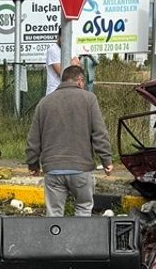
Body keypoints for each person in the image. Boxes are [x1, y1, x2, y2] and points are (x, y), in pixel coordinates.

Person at [26, 65, 113, 216]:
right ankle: (79, 239)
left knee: (54, 214)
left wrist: (33, 164)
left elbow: (33, 138)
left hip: (53, 169)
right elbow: (99, 133)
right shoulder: (89, 99)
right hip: (81, 168)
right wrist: (106, 160)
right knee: (84, 207)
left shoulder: (44, 102)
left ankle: (55, 239)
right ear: (80, 80)